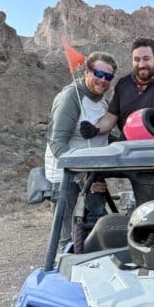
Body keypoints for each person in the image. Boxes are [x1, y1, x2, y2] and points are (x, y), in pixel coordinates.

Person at [80, 38, 154, 206]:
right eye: (137, 59)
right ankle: (94, 219)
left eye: (146, 59)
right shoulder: (123, 84)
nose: (141, 64)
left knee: (148, 212)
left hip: (151, 162)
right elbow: (111, 117)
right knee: (90, 174)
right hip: (124, 153)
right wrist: (94, 129)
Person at [44, 51, 118, 251]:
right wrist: (81, 177)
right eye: (98, 74)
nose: (103, 80)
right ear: (87, 71)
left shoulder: (103, 100)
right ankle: (62, 270)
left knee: (96, 226)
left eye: (108, 77)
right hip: (67, 175)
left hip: (93, 172)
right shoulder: (71, 96)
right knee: (65, 233)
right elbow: (57, 141)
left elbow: (102, 134)